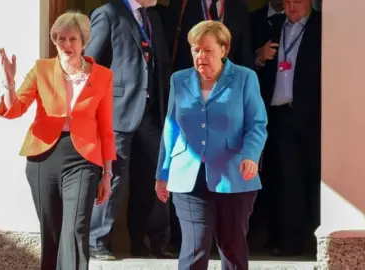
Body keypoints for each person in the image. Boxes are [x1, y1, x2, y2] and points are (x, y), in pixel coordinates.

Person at [0, 11, 116, 270]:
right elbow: (14, 110)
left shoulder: (102, 75)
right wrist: (9, 82)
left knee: (76, 228)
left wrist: (107, 173)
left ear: (84, 42)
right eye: (60, 39)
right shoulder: (42, 69)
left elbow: (106, 127)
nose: (66, 45)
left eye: (72, 38)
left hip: (83, 158)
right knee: (50, 231)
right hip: (43, 156)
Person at [155, 21, 268, 270]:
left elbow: (257, 123)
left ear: (224, 49)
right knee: (195, 246)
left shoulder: (244, 78)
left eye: (207, 50)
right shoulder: (179, 79)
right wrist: (163, 173)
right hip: (188, 176)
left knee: (232, 247)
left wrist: (250, 156)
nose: (200, 56)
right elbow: (171, 127)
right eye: (196, 50)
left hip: (234, 174)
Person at [85, 0, 172, 259]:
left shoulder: (152, 17)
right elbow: (91, 62)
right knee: (114, 176)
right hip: (117, 110)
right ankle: (97, 239)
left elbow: (161, 62)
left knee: (155, 176)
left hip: (151, 111)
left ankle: (149, 241)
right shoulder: (108, 13)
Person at [255, 0, 321, 256]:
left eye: (299, 1)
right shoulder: (271, 26)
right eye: (288, 1)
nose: (292, 7)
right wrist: (259, 57)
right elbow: (247, 63)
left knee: (315, 178)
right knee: (287, 180)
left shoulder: (322, 27)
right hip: (279, 115)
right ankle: (290, 242)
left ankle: (318, 241)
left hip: (312, 114)